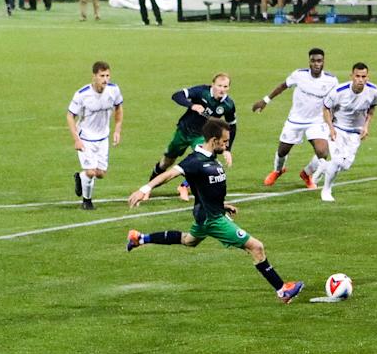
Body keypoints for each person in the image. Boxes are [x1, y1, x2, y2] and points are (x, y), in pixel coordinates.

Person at [126, 117, 305, 304]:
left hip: (209, 212)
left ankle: (139, 238)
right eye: (225, 141)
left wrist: (222, 204)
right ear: (214, 140)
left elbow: (207, 188)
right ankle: (282, 290)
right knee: (256, 247)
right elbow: (169, 174)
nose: (227, 145)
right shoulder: (194, 160)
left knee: (189, 240)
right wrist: (145, 189)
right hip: (212, 219)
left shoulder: (211, 158)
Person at [255, 47, 339, 190]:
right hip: (295, 120)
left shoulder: (331, 80)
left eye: (319, 61)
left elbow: (335, 101)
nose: (316, 64)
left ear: (323, 62)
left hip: (316, 121)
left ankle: (307, 174)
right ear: (309, 62)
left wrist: (333, 121)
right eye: (313, 61)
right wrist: (265, 100)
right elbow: (283, 86)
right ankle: (277, 170)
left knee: (323, 152)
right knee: (282, 151)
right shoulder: (299, 75)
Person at [150, 73, 238, 185]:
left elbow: (232, 126)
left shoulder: (228, 105)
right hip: (184, 131)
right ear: (213, 85)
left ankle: (184, 186)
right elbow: (177, 95)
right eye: (219, 86)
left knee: (202, 160)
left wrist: (227, 149)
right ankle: (151, 184)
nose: (222, 89)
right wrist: (192, 105)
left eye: (225, 86)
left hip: (202, 136)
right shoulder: (201, 91)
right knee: (166, 162)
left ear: (229, 88)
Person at [315, 62, 377, 203]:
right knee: (337, 161)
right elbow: (325, 108)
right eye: (357, 76)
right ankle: (326, 190)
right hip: (337, 129)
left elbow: (372, 108)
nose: (360, 79)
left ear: (368, 77)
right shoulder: (339, 91)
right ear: (351, 76)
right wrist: (330, 128)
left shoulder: (373, 90)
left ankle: (323, 166)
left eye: (363, 76)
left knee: (345, 165)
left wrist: (366, 126)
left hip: (355, 132)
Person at [67, 60, 123, 210]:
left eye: (108, 75)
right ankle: (87, 201)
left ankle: (80, 177)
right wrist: (76, 140)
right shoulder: (82, 94)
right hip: (85, 138)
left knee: (101, 173)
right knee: (91, 172)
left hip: (103, 137)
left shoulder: (114, 90)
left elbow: (119, 108)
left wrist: (117, 129)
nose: (105, 79)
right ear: (94, 76)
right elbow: (70, 116)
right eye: (102, 76)